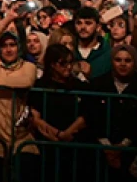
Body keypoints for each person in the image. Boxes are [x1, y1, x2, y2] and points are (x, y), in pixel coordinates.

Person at [0, 7, 38, 180]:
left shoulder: (28, 66)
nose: (8, 49)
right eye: (4, 46)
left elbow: (26, 81)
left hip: (18, 134)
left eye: (12, 45)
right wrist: (8, 18)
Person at [87, 44, 137, 182]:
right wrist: (106, 146)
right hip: (96, 149)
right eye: (118, 60)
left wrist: (121, 147)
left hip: (129, 153)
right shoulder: (97, 85)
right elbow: (91, 116)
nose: (123, 64)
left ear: (134, 63)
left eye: (128, 61)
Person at [30, 43, 89, 181]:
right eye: (63, 63)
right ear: (52, 64)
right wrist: (57, 134)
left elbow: (86, 114)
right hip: (47, 143)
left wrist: (68, 133)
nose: (68, 67)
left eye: (70, 63)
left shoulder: (78, 85)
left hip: (74, 142)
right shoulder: (40, 86)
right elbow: (36, 117)